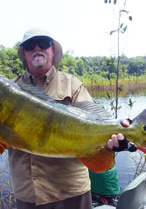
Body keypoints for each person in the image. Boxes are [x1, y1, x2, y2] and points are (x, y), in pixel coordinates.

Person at [8, 28, 131, 209]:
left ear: (52, 50)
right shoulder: (9, 90)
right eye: (29, 45)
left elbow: (95, 123)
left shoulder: (71, 84)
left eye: (43, 43)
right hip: (28, 195)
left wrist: (114, 139)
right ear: (24, 54)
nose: (36, 48)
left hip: (72, 193)